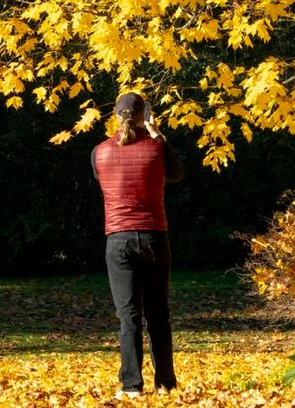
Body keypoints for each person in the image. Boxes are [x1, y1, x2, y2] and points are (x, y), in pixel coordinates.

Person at [91, 92, 185, 399]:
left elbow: (105, 183)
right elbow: (176, 174)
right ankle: (166, 383)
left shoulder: (99, 152)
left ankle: (131, 385)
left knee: (128, 315)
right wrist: (157, 135)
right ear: (145, 115)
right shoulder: (157, 148)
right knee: (158, 315)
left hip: (118, 238)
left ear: (115, 116)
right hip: (154, 236)